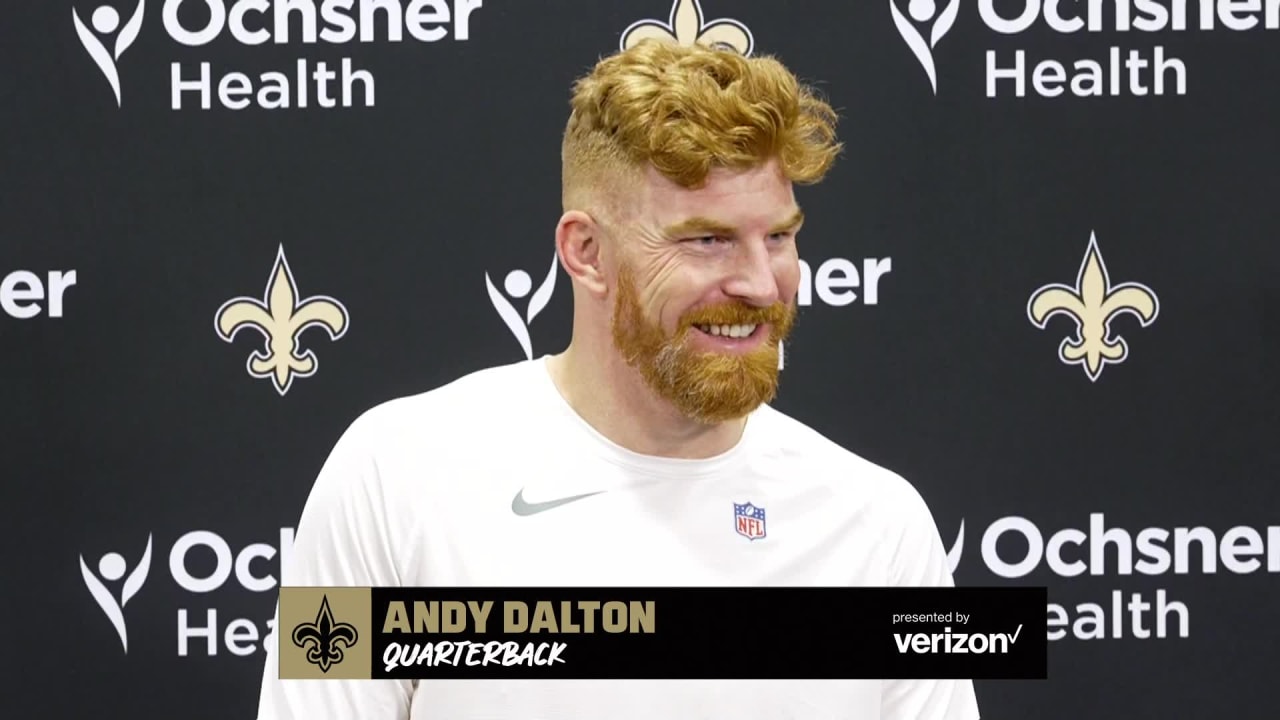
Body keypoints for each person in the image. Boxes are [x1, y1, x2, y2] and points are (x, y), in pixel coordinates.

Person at [256, 39, 980, 720]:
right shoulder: (393, 474)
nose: (763, 283)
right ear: (587, 252)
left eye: (780, 237)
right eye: (707, 239)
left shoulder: (882, 526)